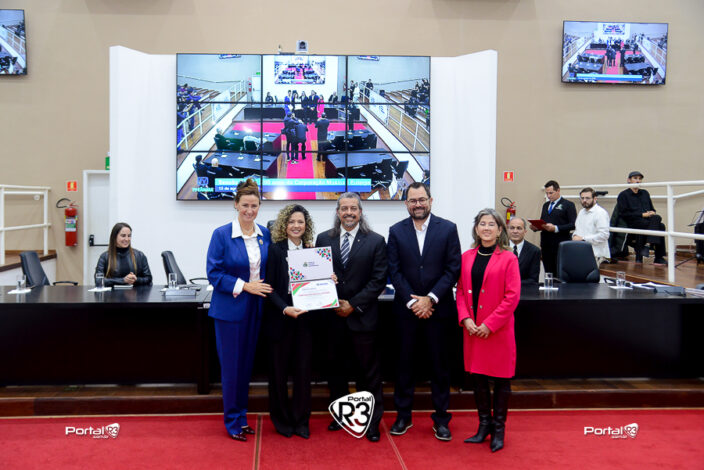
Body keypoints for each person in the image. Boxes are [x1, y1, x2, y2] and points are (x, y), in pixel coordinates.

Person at [387, 183, 461, 441]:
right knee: (404, 365)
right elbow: (394, 271)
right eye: (412, 200)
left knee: (440, 367)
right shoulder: (396, 231)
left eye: (421, 200)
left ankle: (441, 419)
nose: (417, 204)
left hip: (438, 311)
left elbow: (453, 269)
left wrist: (430, 299)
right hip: (406, 312)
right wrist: (414, 302)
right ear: (406, 204)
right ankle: (403, 416)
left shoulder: (448, 229)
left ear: (431, 200)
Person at [315, 192, 387, 442]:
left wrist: (353, 305)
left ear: (360, 212)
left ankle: (372, 422)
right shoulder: (323, 239)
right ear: (337, 212)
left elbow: (378, 280)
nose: (348, 213)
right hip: (332, 318)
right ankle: (342, 417)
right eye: (344, 208)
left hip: (362, 318)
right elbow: (317, 276)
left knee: (368, 374)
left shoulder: (376, 241)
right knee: (336, 371)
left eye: (353, 208)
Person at [206, 178, 272, 442]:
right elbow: (214, 274)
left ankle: (242, 417)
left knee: (245, 367)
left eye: (254, 206)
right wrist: (246, 286)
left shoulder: (265, 234)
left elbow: (273, 267)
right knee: (232, 368)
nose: (249, 210)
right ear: (235, 205)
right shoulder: (221, 234)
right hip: (229, 312)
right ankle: (232, 421)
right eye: (245, 205)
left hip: (256, 309)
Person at [456, 208, 520, 453]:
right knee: (479, 380)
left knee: (501, 381)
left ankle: (499, 429)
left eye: (491, 224)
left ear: (500, 229)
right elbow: (461, 292)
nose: (486, 228)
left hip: (497, 331)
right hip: (473, 330)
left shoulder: (509, 258)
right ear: (476, 228)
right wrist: (465, 318)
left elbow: (512, 297)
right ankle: (484, 425)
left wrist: (489, 324)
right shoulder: (466, 257)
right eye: (482, 223)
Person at [264, 204, 316, 439]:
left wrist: (329, 279)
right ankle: (282, 420)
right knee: (278, 373)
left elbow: (318, 285)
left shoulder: (312, 250)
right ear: (284, 225)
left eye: (300, 222)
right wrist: (285, 308)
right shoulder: (275, 250)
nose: (296, 226)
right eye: (292, 222)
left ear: (306, 226)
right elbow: (269, 288)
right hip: (281, 317)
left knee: (303, 373)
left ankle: (301, 420)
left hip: (304, 320)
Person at [616, 171, 666, 265]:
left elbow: (652, 208)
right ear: (629, 180)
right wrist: (642, 215)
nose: (638, 181)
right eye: (635, 178)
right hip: (633, 221)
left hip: (648, 220)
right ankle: (658, 256)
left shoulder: (645, 193)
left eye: (639, 179)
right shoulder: (623, 195)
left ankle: (648, 245)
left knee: (657, 218)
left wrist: (652, 212)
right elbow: (624, 214)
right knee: (661, 226)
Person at [531, 180, 577, 276]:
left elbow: (573, 224)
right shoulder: (545, 205)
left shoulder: (568, 205)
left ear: (558, 190)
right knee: (548, 272)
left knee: (558, 272)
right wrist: (537, 227)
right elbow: (543, 222)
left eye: (551, 193)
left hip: (559, 244)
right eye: (547, 193)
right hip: (546, 244)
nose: (548, 196)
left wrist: (556, 228)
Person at [95, 222, 153, 287]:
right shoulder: (105, 257)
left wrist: (135, 280)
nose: (127, 239)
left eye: (129, 236)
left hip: (135, 293)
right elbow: (98, 281)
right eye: (123, 236)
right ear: (114, 237)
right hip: (112, 293)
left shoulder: (139, 255)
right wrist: (123, 280)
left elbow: (148, 279)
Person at [572, 187, 611, 265]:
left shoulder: (600, 213)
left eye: (587, 198)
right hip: (581, 252)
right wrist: (574, 236)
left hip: (597, 255)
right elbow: (578, 229)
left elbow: (604, 235)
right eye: (582, 198)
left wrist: (583, 239)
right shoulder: (581, 212)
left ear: (595, 199)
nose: (584, 200)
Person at [507, 217, 541, 285]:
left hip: (524, 289)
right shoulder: (499, 248)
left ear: (525, 231)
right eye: (512, 228)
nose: (515, 231)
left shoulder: (534, 251)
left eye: (519, 228)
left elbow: (533, 280)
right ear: (507, 230)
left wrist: (512, 284)